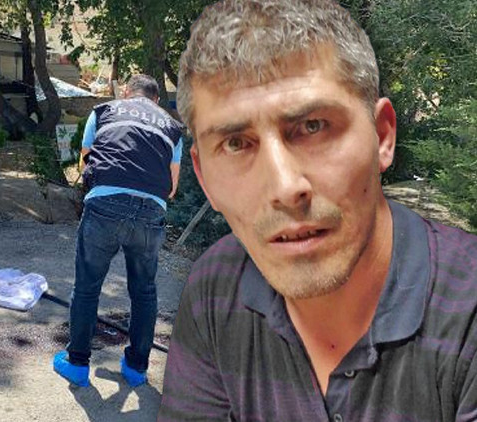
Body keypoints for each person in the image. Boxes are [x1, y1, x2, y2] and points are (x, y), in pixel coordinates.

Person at [159, 1, 477, 420]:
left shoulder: (467, 311)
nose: (285, 187)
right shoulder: (215, 292)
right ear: (203, 179)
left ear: (382, 137)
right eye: (236, 144)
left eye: (313, 126)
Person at [53, 74, 185, 387]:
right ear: (156, 100)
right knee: (144, 291)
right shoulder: (172, 127)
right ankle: (136, 369)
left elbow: (86, 164)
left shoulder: (103, 112)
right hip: (151, 210)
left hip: (105, 203)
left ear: (126, 93)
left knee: (87, 286)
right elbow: (172, 188)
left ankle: (77, 364)